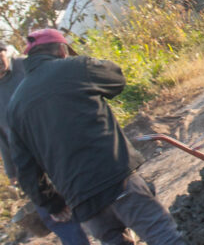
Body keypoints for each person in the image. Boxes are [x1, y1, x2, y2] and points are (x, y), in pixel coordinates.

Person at [6, 28, 186, 245]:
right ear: (62, 49)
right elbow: (116, 79)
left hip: (82, 201)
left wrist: (52, 203)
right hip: (116, 179)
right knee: (163, 236)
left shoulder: (15, 107)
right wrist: (83, 65)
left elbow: (26, 169)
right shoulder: (74, 67)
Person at [0, 42, 91, 245]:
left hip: (60, 144)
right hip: (29, 158)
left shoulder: (28, 67)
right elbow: (3, 134)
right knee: (53, 212)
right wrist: (11, 170)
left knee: (94, 198)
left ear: (4, 52)